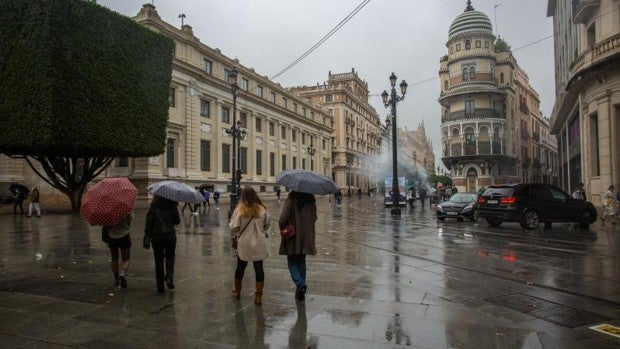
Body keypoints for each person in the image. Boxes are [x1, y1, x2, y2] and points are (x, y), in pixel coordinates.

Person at [230, 186, 270, 305]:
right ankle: (258, 295)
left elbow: (233, 227)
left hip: (244, 243)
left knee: (240, 266)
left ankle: (237, 290)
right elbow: (267, 224)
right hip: (259, 242)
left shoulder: (240, 209)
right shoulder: (262, 209)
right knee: (259, 268)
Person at [279, 191, 317, 302]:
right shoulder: (311, 198)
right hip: (306, 236)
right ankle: (300, 293)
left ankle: (300, 284)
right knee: (301, 261)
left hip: (293, 235)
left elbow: (283, 219)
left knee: (291, 261)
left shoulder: (292, 198)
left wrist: (284, 228)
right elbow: (314, 218)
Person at [144, 195, 181, 293]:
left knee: (158, 259)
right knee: (170, 257)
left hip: (157, 236)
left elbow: (148, 224)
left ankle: (160, 285)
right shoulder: (172, 206)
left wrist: (147, 236)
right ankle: (169, 278)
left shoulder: (153, 207)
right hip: (170, 236)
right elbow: (177, 222)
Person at [102, 213, 133, 288]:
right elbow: (130, 220)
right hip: (124, 236)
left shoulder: (108, 211)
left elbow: (106, 224)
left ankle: (116, 279)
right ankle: (122, 274)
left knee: (114, 258)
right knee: (126, 259)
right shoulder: (127, 210)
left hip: (112, 237)